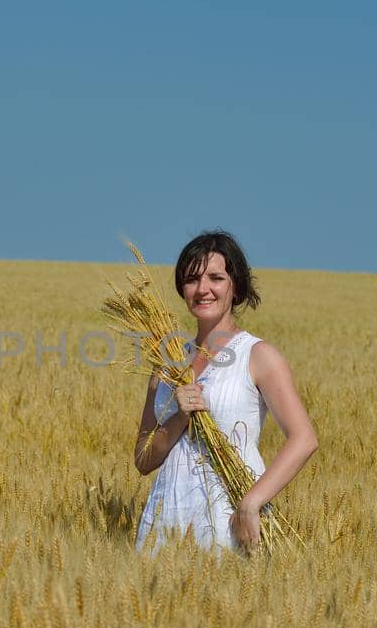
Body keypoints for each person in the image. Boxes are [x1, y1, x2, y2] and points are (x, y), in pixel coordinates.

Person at [132, 231, 319, 554]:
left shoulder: (258, 355)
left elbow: (304, 439)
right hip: (165, 525)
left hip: (228, 521)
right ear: (182, 288)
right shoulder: (165, 365)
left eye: (216, 278)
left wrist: (251, 504)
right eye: (191, 279)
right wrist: (180, 417)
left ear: (236, 286)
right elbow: (144, 460)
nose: (202, 289)